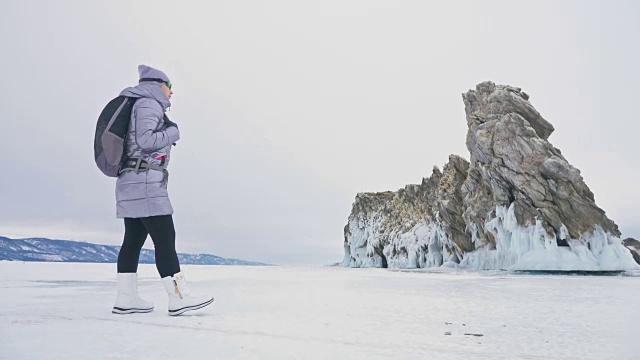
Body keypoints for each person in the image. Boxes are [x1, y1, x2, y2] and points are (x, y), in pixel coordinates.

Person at [111, 65, 214, 316]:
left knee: (133, 240)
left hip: (132, 181)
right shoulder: (148, 104)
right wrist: (172, 131)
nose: (171, 93)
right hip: (145, 181)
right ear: (159, 85)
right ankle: (178, 297)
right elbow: (146, 140)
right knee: (165, 237)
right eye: (170, 87)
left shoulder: (139, 103)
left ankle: (127, 298)